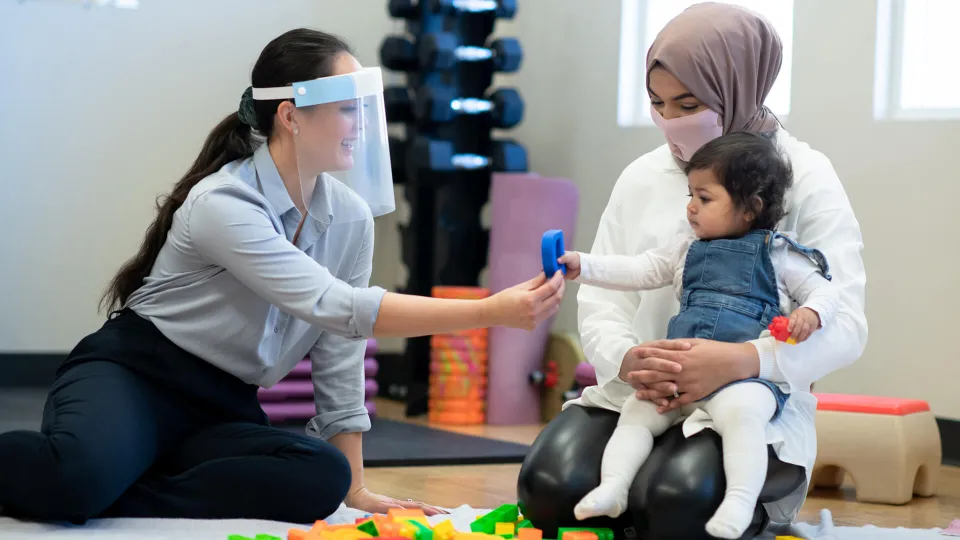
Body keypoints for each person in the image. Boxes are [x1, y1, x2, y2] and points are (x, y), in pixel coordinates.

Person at [0, 28, 564, 525]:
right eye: (347, 108)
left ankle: (122, 485)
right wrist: (491, 311)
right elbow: (335, 304)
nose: (360, 124)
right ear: (291, 115)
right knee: (74, 479)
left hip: (221, 403)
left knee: (322, 479)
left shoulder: (349, 218)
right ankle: (101, 478)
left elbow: (342, 347)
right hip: (136, 376)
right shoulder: (223, 202)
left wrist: (357, 486)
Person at [519, 2, 867, 536]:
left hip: (743, 399)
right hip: (642, 391)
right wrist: (627, 359)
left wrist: (744, 360)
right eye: (658, 104)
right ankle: (628, 482)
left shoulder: (805, 177)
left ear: (738, 86)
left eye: (688, 103)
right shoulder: (643, 176)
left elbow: (844, 324)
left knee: (674, 502)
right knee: (548, 490)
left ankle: (756, 503)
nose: (671, 121)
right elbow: (611, 294)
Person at [557, 132, 838, 539]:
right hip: (678, 372)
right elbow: (639, 269)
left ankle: (740, 501)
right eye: (690, 195)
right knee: (637, 416)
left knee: (744, 419)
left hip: (742, 379)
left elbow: (826, 291)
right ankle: (613, 487)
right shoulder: (686, 249)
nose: (690, 208)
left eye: (704, 199)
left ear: (750, 208)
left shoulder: (777, 254)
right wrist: (584, 265)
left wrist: (810, 313)